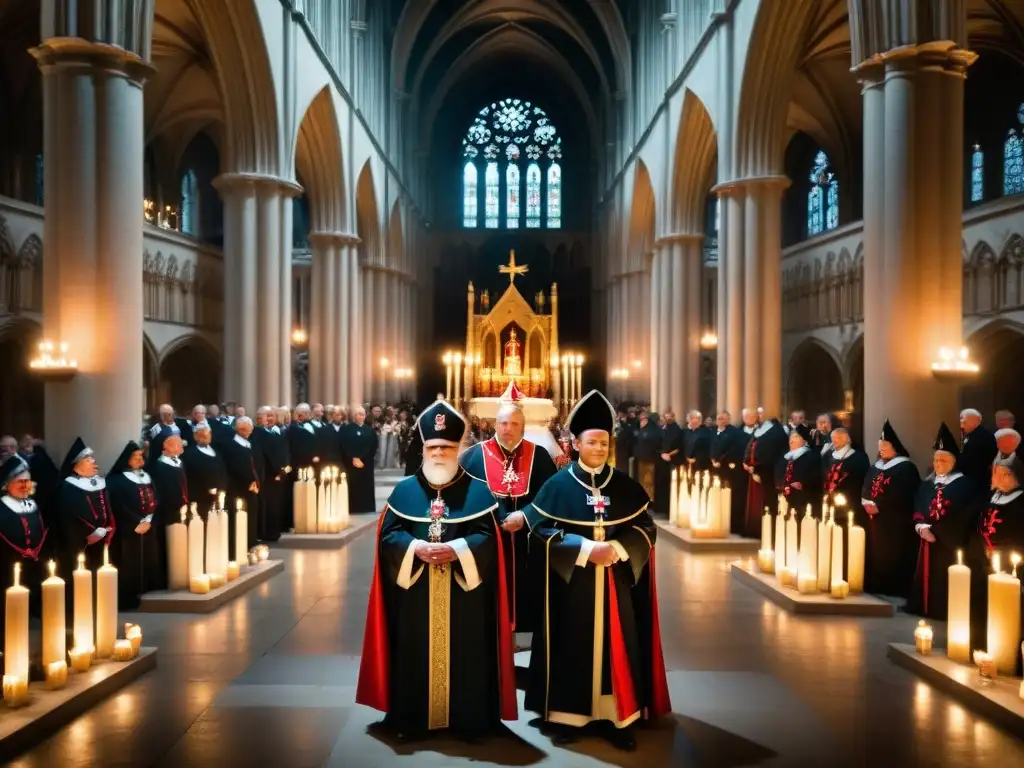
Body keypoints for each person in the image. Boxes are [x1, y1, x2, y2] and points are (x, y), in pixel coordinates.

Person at [356, 399, 517, 742]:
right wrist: (416, 548)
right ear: (423, 448)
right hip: (415, 594)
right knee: (414, 652)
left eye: (446, 446)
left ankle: (469, 721)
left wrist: (456, 550)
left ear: (458, 448)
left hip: (466, 596)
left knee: (468, 654)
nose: (439, 453)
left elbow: (488, 538)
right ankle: (412, 719)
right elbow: (390, 536)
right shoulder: (404, 491)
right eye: (433, 447)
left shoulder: (478, 491)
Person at [524, 390, 670, 752]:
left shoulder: (624, 485)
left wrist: (617, 549)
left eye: (605, 443)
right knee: (569, 643)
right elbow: (538, 532)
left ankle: (616, 716)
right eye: (593, 442)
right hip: (570, 586)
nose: (600, 449)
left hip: (617, 585)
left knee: (619, 646)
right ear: (575, 444)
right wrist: (586, 549)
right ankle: (567, 717)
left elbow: (645, 528)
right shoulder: (556, 486)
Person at [459, 380, 557, 645]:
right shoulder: (473, 457)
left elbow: (550, 498)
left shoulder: (540, 457)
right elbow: (462, 499)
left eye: (514, 424)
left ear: (523, 427)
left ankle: (525, 636)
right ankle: (490, 632)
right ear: (494, 425)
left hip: (528, 541)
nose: (508, 429)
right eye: (503, 423)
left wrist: (525, 517)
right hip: (488, 541)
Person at [907, 423, 979, 619]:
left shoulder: (964, 485)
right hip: (925, 539)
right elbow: (919, 504)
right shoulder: (928, 483)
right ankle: (923, 606)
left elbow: (963, 515)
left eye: (943, 460)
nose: (938, 463)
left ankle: (941, 610)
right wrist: (921, 526)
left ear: (953, 462)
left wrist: (937, 531)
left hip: (948, 542)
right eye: (936, 460)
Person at [859, 419, 921, 596]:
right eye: (880, 446)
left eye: (885, 446)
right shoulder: (875, 467)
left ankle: (893, 589)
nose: (881, 450)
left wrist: (882, 506)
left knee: (892, 554)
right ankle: (874, 585)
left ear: (895, 447)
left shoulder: (906, 468)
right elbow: (866, 487)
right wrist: (866, 501)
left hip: (894, 523)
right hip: (874, 520)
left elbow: (904, 494)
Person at [0, 454, 50, 644]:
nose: (25, 486)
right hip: (7, 567)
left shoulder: (33, 506)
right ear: (7, 485)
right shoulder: (2, 508)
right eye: (20, 482)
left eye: (27, 482)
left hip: (33, 566)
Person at [106, 441, 161, 608]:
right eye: (135, 457)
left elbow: (155, 499)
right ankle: (130, 594)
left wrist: (150, 519)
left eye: (140, 456)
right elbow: (118, 506)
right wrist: (134, 523)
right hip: (129, 530)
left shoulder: (147, 476)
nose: (139, 459)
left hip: (148, 525)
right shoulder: (115, 481)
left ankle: (149, 588)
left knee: (149, 558)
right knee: (129, 562)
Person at [57, 437, 115, 572]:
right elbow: (68, 518)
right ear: (77, 467)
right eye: (88, 460)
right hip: (82, 543)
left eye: (92, 458)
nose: (94, 462)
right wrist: (87, 535)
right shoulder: (68, 487)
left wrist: (108, 529)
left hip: (105, 538)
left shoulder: (101, 483)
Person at [711, 411, 748, 533]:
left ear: (728, 419)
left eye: (723, 418)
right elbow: (711, 447)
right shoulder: (714, 431)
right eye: (719, 418)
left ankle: (733, 524)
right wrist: (712, 459)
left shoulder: (735, 433)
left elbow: (735, 449)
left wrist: (723, 461)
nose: (721, 420)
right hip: (716, 469)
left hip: (729, 469)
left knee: (732, 497)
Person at [775, 423, 822, 516]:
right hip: (784, 498)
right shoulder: (785, 457)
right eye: (790, 438)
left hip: (804, 499)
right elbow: (778, 473)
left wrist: (803, 484)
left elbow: (816, 477)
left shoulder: (811, 457)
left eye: (796, 437)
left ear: (805, 441)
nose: (791, 441)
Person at [341, 406, 379, 514]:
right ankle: (352, 508)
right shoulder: (347, 429)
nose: (361, 416)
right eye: (358, 414)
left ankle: (366, 507)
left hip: (366, 463)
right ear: (354, 416)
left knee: (365, 486)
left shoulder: (369, 430)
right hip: (351, 463)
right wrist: (353, 458)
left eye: (363, 414)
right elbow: (343, 445)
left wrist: (362, 458)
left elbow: (373, 446)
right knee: (352, 485)